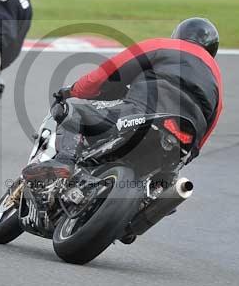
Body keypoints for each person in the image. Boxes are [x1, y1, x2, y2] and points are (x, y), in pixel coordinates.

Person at [22, 17, 223, 181]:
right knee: (163, 181)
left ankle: (64, 161)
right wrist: (189, 155)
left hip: (144, 113)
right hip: (183, 141)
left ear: (179, 35)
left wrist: (73, 91)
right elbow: (210, 125)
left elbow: (107, 73)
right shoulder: (216, 79)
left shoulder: (163, 45)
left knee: (75, 111)